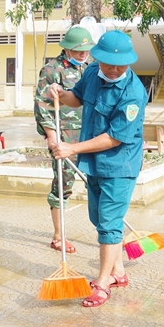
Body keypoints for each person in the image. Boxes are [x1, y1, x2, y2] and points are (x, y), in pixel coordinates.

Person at [46, 30, 148, 307]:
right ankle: (119, 272)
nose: (114, 70)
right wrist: (61, 93)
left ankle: (102, 284)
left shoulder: (133, 93)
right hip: (94, 163)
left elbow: (114, 137)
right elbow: (77, 98)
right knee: (98, 219)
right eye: (108, 63)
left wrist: (72, 148)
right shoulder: (92, 72)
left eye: (121, 64)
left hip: (120, 164)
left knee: (109, 225)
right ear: (97, 58)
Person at [33, 26, 95, 253]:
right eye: (79, 51)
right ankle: (58, 237)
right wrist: (51, 135)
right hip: (64, 133)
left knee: (94, 180)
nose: (83, 54)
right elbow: (41, 104)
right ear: (67, 48)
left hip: (88, 133)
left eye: (86, 50)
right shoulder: (52, 69)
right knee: (63, 183)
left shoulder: (89, 68)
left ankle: (105, 231)